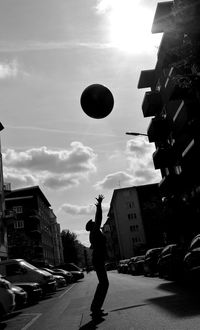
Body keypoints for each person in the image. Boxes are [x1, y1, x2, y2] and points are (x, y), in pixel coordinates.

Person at [85, 194, 109, 319]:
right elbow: (98, 217)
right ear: (92, 226)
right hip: (98, 259)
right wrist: (99, 206)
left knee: (103, 283)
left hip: (98, 259)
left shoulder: (94, 233)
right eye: (94, 223)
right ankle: (95, 309)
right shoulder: (94, 231)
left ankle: (96, 308)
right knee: (104, 283)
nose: (96, 223)